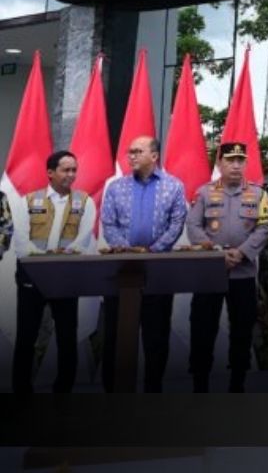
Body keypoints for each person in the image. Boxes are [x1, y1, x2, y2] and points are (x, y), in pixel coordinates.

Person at [100, 135, 187, 391]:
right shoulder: (116, 187)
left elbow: (177, 222)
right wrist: (126, 251)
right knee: (116, 336)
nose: (131, 156)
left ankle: (153, 391)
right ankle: (112, 394)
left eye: (138, 151)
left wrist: (152, 252)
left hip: (158, 271)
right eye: (129, 152)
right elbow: (108, 222)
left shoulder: (173, 186)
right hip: (123, 271)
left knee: (156, 337)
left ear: (154, 155)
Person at [186, 141, 268, 392]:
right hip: (209, 274)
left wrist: (242, 253)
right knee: (202, 330)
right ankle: (199, 386)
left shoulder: (259, 194)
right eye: (230, 160)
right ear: (219, 163)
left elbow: (265, 227)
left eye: (240, 161)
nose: (236, 166)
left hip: (243, 274)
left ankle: (238, 385)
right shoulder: (203, 193)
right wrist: (216, 255)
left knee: (242, 331)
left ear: (246, 163)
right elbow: (193, 226)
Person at [11, 149, 96, 395]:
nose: (71, 175)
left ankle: (63, 391)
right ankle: (21, 390)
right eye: (65, 170)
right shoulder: (26, 201)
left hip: (66, 276)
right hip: (32, 276)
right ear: (50, 173)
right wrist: (41, 261)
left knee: (67, 337)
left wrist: (62, 260)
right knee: (27, 335)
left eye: (74, 170)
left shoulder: (85, 201)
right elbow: (21, 242)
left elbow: (83, 239)